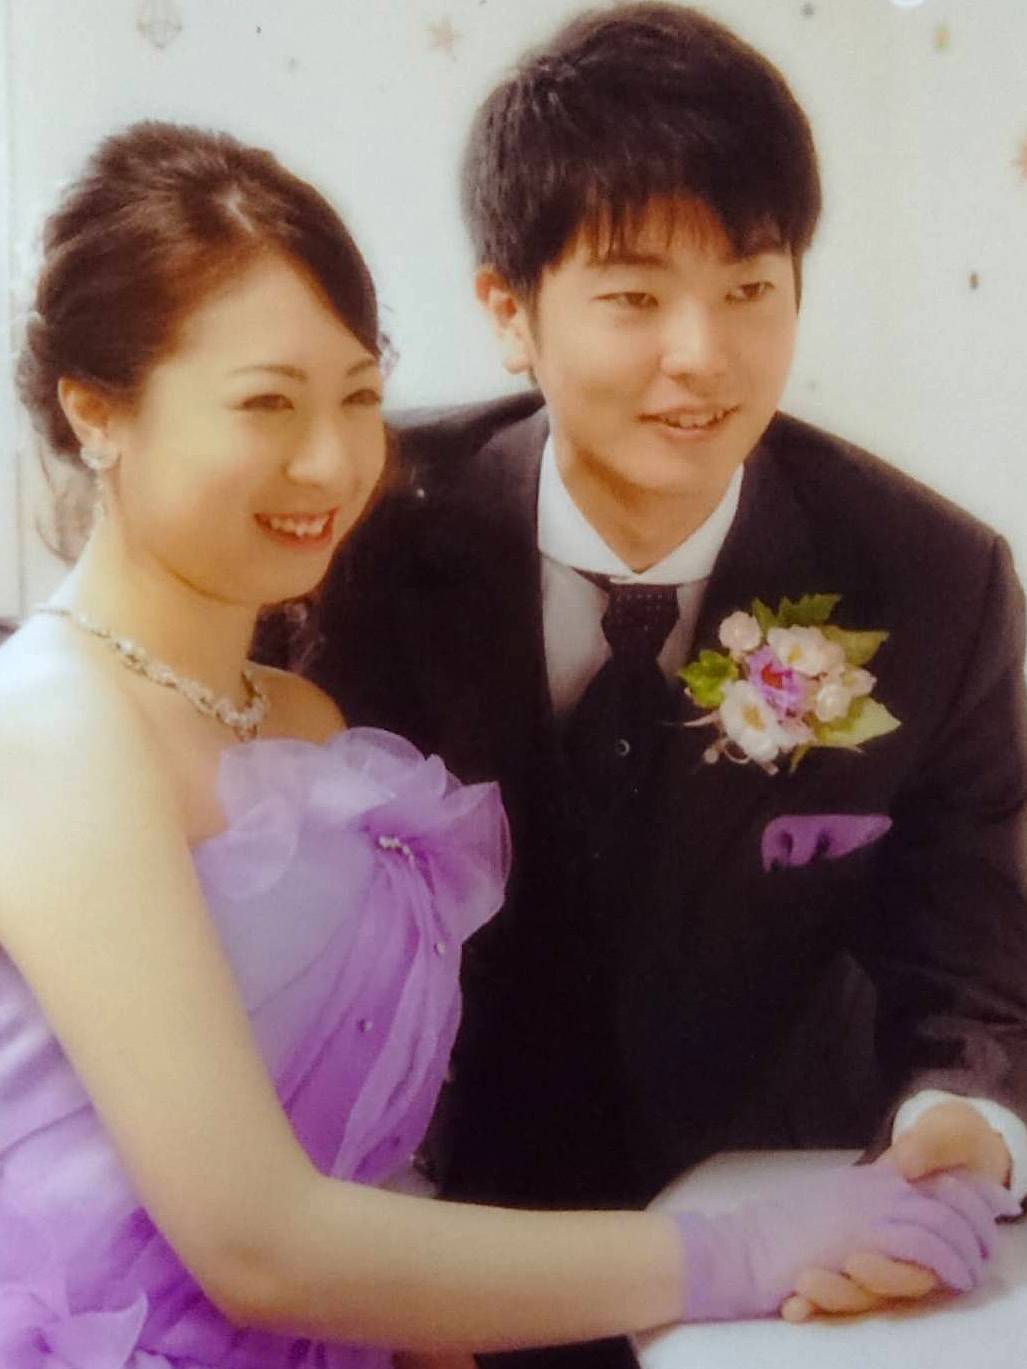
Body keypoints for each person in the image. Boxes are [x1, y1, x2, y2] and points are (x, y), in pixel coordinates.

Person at [2, 120, 1009, 1369]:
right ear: (95, 410)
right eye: (266, 403)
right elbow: (256, 1241)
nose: (331, 460)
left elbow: (372, 1150)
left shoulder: (304, 719)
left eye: (358, 396)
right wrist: (740, 1251)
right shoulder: (49, 726)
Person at [302, 4, 1027, 1359]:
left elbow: (974, 974)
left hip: (770, 1258)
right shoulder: (356, 538)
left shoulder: (933, 581)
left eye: (749, 287)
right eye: (633, 297)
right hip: (424, 1256)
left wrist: (957, 1127)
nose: (701, 354)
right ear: (507, 311)